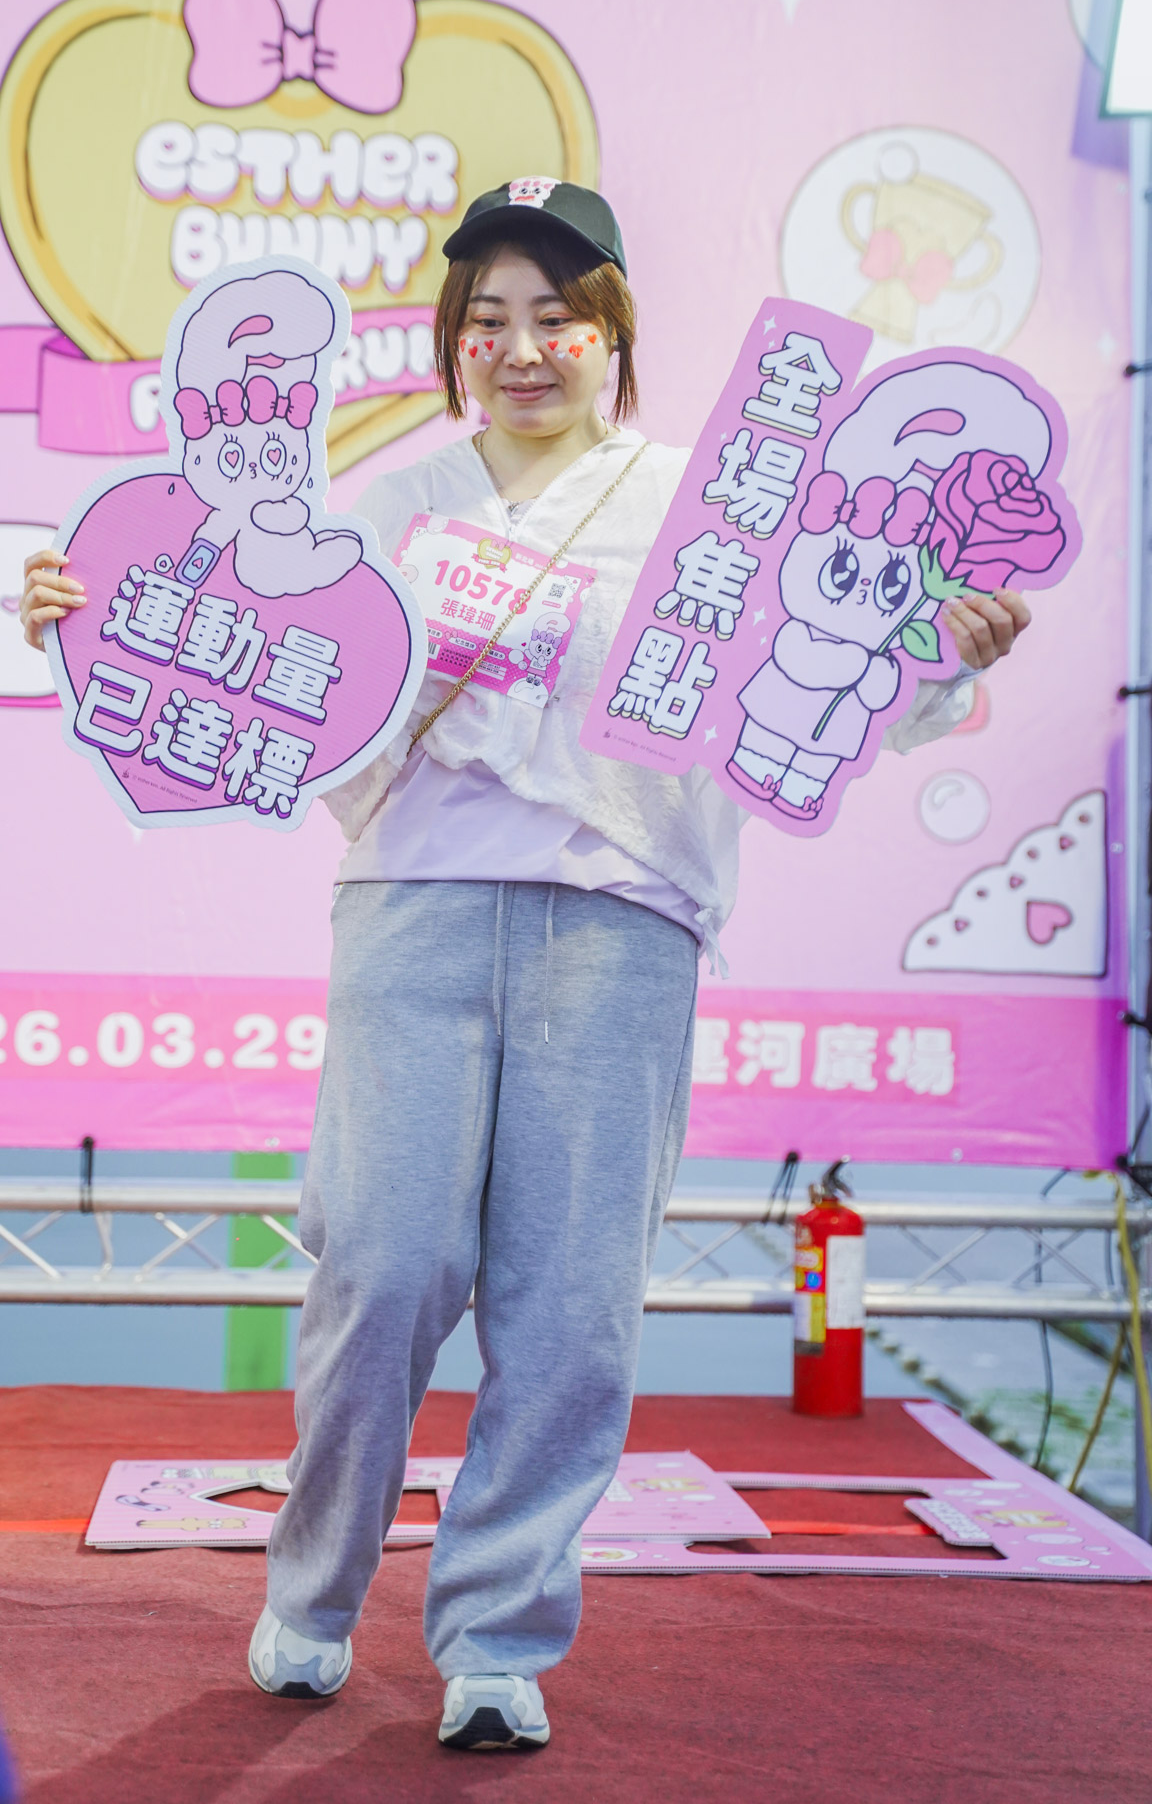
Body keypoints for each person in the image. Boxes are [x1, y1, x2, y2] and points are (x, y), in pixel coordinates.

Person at [20, 181, 1031, 1752]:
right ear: (453, 343)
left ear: (612, 332)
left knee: (571, 1307)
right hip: (412, 908)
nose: (522, 347)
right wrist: (86, 610)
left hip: (624, 921)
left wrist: (946, 656)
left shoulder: (714, 511)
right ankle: (313, 1592)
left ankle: (497, 1636)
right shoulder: (391, 509)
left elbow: (839, 680)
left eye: (557, 317)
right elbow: (247, 644)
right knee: (382, 1269)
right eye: (488, 319)